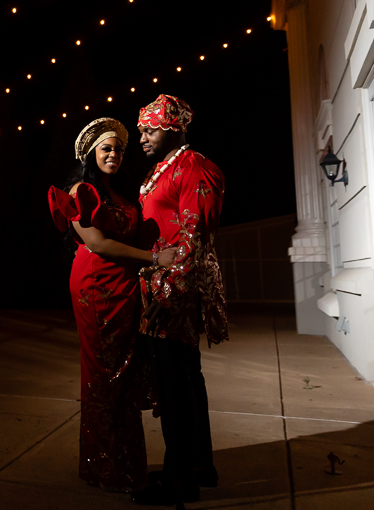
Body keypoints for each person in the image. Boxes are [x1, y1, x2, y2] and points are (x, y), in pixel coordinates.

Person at [47, 117, 175, 493]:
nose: (114, 155)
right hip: (96, 286)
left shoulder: (116, 193)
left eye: (119, 149)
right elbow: (99, 244)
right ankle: (109, 468)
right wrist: (153, 259)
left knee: (125, 372)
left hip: (123, 285)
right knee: (107, 374)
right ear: (91, 153)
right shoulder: (79, 190)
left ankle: (124, 466)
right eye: (106, 148)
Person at [130, 95, 228, 507]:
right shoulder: (162, 169)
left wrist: (168, 293)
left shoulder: (195, 168)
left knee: (176, 386)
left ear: (175, 128)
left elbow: (194, 235)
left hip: (176, 295)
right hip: (160, 288)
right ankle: (198, 466)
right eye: (140, 131)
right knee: (185, 380)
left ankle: (179, 479)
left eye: (150, 130)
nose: (142, 138)